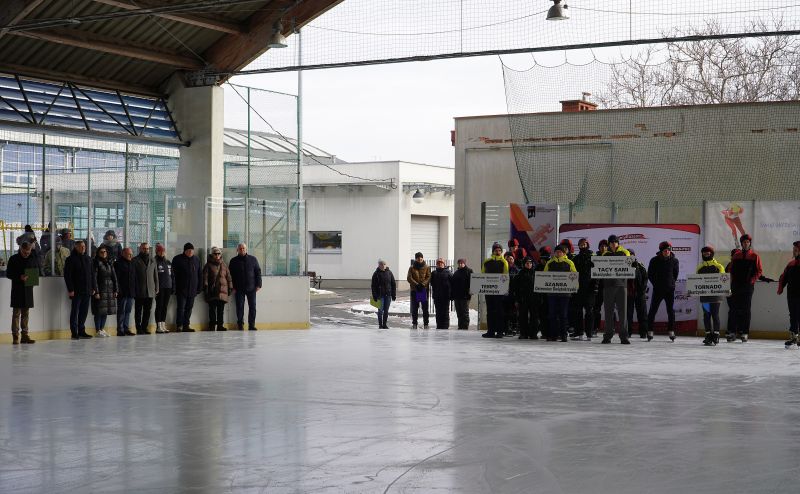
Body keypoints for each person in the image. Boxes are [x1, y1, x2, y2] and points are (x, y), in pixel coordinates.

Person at [726, 234, 762, 342]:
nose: (746, 244)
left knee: (746, 310)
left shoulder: (755, 256)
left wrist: (752, 281)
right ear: (741, 244)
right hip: (736, 285)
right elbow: (730, 270)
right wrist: (731, 283)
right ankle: (732, 332)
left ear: (750, 243)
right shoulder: (736, 255)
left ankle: (744, 332)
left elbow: (759, 271)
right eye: (744, 242)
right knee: (733, 309)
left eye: (748, 242)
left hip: (747, 287)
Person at [646, 242, 680, 341]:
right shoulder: (654, 260)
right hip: (658, 290)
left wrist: (671, 284)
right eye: (665, 250)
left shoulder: (675, 261)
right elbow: (650, 274)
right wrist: (656, 284)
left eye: (669, 250)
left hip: (669, 290)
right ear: (661, 251)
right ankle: (650, 331)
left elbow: (675, 274)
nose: (667, 252)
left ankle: (671, 331)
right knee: (653, 310)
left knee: (670, 311)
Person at [601, 235, 632, 344]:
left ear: (618, 243)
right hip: (608, 285)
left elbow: (630, 264)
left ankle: (624, 336)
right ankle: (608, 335)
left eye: (615, 242)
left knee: (623, 312)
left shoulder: (625, 252)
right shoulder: (605, 254)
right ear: (609, 243)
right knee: (608, 312)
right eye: (611, 242)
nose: (614, 243)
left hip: (621, 286)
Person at [7, 241, 38, 344]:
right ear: (20, 249)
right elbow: (8, 274)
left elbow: (36, 271)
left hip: (28, 289)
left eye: (28, 252)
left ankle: (25, 335)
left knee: (26, 313)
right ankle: (15, 336)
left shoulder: (33, 258)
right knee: (16, 313)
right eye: (24, 252)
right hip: (17, 289)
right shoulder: (13, 259)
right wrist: (19, 277)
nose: (26, 254)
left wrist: (33, 279)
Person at [544, 245, 577, 342]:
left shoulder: (569, 263)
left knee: (563, 315)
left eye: (560, 252)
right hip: (552, 294)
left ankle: (563, 335)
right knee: (552, 315)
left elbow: (574, 276)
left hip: (565, 294)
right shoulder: (550, 263)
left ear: (564, 253)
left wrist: (575, 288)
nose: (558, 253)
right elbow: (544, 276)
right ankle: (553, 335)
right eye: (556, 252)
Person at [63, 240, 94, 340]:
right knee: (75, 311)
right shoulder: (70, 259)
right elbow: (68, 276)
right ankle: (74, 332)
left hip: (87, 290)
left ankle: (82, 330)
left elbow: (92, 275)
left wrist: (93, 287)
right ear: (76, 247)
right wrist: (70, 289)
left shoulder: (88, 259)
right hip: (76, 291)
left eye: (84, 246)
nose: (83, 248)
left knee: (84, 312)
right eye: (81, 246)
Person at [228, 243, 262, 331]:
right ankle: (240, 325)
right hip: (238, 289)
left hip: (251, 288)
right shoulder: (233, 261)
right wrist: (232, 287)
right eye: (240, 248)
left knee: (253, 307)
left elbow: (258, 272)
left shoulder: (253, 259)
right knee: (239, 307)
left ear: (246, 249)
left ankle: (251, 325)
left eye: (243, 248)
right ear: (237, 250)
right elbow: (230, 276)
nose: (242, 250)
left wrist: (259, 285)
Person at [696, 246, 726, 346]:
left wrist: (727, 289)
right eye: (704, 254)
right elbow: (696, 282)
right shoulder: (699, 267)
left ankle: (716, 335)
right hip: (705, 296)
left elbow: (724, 281)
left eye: (708, 253)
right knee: (706, 315)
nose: (706, 255)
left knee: (715, 314)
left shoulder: (719, 266)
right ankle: (708, 335)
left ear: (711, 254)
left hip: (716, 296)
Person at [570, 238, 597, 341]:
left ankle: (589, 334)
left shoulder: (593, 257)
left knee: (589, 311)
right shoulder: (576, 258)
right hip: (578, 288)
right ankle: (579, 333)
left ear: (588, 244)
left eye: (584, 244)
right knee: (578, 311)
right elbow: (572, 273)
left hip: (590, 288)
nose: (582, 245)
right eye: (580, 244)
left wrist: (595, 286)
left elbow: (598, 273)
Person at [173, 243, 202, 332]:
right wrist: (174, 288)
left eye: (192, 251)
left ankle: (186, 325)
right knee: (181, 308)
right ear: (184, 251)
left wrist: (199, 287)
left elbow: (200, 274)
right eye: (188, 251)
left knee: (189, 308)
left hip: (192, 289)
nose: (190, 252)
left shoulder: (196, 259)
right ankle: (179, 325)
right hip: (181, 289)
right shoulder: (177, 259)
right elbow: (173, 275)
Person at [202, 246, 233, 331]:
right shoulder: (208, 265)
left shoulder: (224, 265)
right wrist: (205, 287)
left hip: (222, 291)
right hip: (212, 291)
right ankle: (212, 325)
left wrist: (230, 287)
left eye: (218, 253)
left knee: (220, 310)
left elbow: (229, 277)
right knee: (212, 309)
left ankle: (220, 325)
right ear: (212, 255)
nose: (217, 255)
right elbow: (205, 277)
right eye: (215, 254)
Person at [481, 242, 508, 338]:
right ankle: (491, 331)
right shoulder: (487, 262)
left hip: (499, 292)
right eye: (496, 250)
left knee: (499, 312)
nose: (498, 252)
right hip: (489, 291)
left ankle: (500, 331)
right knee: (490, 311)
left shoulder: (504, 262)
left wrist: (505, 289)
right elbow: (483, 276)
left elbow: (506, 276)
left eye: (500, 250)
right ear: (493, 251)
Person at [777, 241, 800, 348]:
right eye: (793, 250)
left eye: (796, 250)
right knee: (793, 315)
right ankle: (794, 336)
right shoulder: (791, 264)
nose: (794, 252)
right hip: (792, 295)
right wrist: (780, 288)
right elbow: (783, 277)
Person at [91, 245, 117, 338]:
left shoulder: (109, 263)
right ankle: (98, 330)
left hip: (109, 290)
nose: (104, 253)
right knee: (98, 311)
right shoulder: (96, 263)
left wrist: (115, 289)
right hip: (100, 290)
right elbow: (94, 278)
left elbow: (114, 277)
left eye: (105, 252)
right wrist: (96, 292)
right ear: (98, 253)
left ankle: (102, 329)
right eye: (101, 252)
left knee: (105, 311)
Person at [133, 243, 158, 335]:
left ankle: (144, 327)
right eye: (144, 248)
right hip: (139, 290)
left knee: (148, 310)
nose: (146, 250)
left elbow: (155, 275)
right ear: (140, 249)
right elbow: (133, 276)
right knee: (138, 310)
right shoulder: (135, 260)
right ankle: (138, 328)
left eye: (147, 249)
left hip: (150, 290)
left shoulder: (152, 260)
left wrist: (157, 287)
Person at [512, 256, 537, 339]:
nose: (529, 264)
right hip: (523, 299)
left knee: (534, 317)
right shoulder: (519, 275)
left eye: (530, 263)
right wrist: (517, 299)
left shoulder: (536, 274)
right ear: (524, 264)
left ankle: (533, 333)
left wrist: (539, 298)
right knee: (523, 317)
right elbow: (515, 289)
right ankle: (523, 333)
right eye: (527, 263)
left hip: (533, 299)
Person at [627, 249, 650, 340]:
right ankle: (628, 332)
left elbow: (645, 277)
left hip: (639, 293)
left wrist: (642, 290)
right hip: (628, 293)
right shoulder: (622, 265)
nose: (630, 256)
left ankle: (643, 332)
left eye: (632, 254)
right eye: (629, 255)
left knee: (642, 313)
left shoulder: (640, 265)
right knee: (628, 314)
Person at [114, 247, 136, 336]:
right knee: (121, 311)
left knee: (128, 311)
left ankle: (126, 328)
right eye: (128, 254)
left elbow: (135, 278)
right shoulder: (118, 264)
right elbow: (116, 279)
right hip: (122, 292)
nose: (130, 255)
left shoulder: (132, 263)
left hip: (131, 292)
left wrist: (135, 290)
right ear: (123, 254)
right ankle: (120, 329)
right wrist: (118, 290)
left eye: (131, 254)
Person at [407, 252, 431, 329]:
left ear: (422, 258)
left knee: (425, 308)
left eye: (421, 257)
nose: (420, 259)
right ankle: (414, 323)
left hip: (423, 290)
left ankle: (426, 324)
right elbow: (409, 278)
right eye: (418, 258)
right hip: (415, 290)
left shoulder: (427, 267)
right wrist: (416, 284)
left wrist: (423, 284)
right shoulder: (412, 267)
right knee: (415, 308)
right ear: (416, 259)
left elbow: (429, 276)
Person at [153, 243, 174, 334]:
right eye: (160, 251)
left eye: (163, 251)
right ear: (157, 252)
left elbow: (172, 275)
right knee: (159, 306)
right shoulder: (154, 262)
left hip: (168, 287)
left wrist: (173, 286)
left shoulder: (168, 262)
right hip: (160, 288)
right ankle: (158, 326)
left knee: (165, 306)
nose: (162, 253)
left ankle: (163, 324)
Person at [370, 259, 396, 329]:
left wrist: (393, 294)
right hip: (380, 295)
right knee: (380, 310)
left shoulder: (389, 273)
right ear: (379, 265)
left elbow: (393, 284)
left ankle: (384, 324)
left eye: (384, 264)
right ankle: (380, 325)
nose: (383, 266)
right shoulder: (376, 273)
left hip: (388, 295)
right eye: (381, 264)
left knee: (386, 310)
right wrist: (374, 295)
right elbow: (373, 286)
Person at [592, 239, 609, 337]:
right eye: (602, 246)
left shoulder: (612, 257)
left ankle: (610, 328)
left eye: (605, 246)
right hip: (598, 287)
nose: (603, 248)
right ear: (599, 247)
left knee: (609, 309)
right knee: (596, 309)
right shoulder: (594, 257)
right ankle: (595, 328)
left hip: (609, 286)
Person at [450, 259, 473, 329]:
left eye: (462, 263)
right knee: (459, 312)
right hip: (457, 296)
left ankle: (465, 326)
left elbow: (473, 282)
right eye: (459, 263)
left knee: (465, 312)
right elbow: (453, 284)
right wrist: (452, 295)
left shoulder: (469, 271)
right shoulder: (456, 273)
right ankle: (460, 326)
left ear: (464, 263)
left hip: (465, 296)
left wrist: (470, 292)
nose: (460, 264)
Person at [430, 258, 452, 329]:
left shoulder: (448, 272)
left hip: (445, 296)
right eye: (438, 263)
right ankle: (439, 325)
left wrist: (451, 294)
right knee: (438, 311)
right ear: (436, 265)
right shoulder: (433, 273)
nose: (440, 264)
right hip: (437, 296)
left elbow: (453, 283)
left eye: (441, 263)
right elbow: (431, 283)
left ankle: (445, 326)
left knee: (445, 312)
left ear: (444, 264)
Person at [503, 252, 519, 335]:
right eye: (507, 258)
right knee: (505, 312)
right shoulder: (502, 269)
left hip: (513, 295)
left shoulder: (516, 270)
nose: (509, 260)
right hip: (504, 295)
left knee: (513, 313)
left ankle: (514, 328)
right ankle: (506, 328)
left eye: (511, 258)